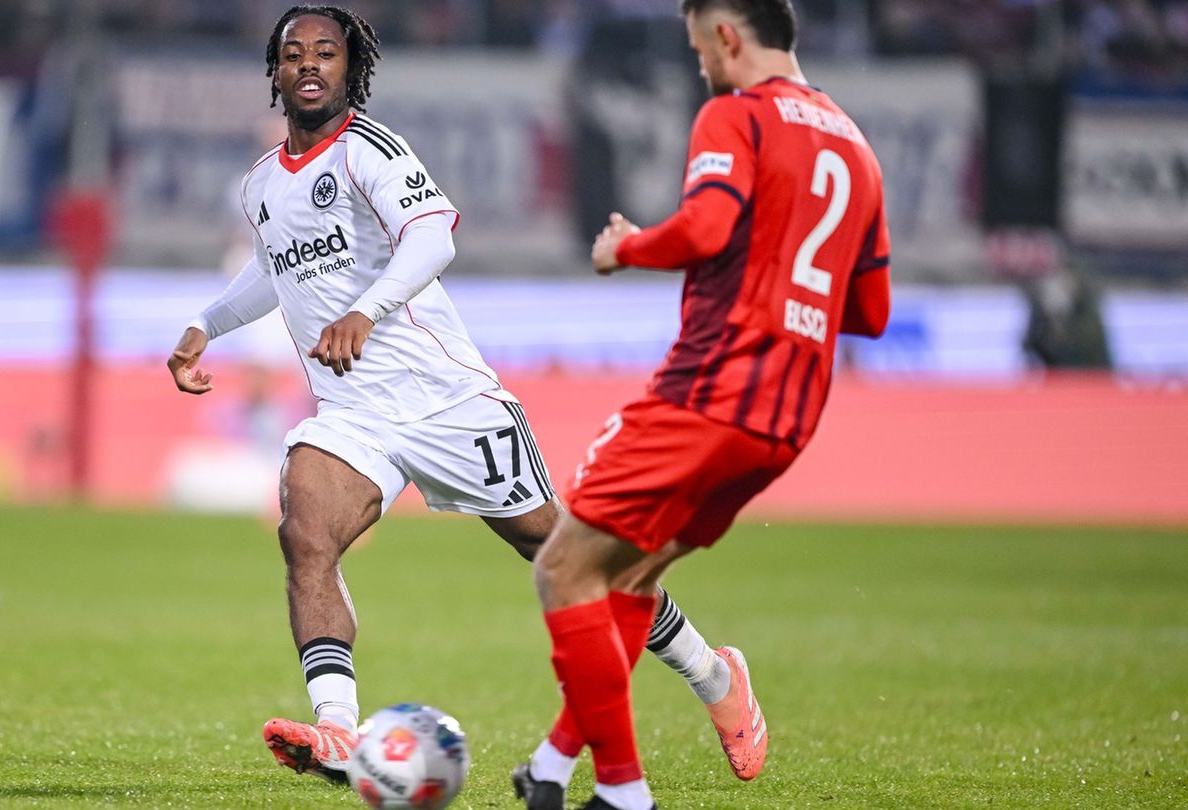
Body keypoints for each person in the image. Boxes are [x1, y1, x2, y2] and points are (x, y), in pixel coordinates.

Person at [166, 4, 736, 788]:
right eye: (293, 52)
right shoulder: (262, 184)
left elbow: (434, 237)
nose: (307, 64)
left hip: (448, 404)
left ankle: (712, 674)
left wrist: (366, 310)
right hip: (354, 414)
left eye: (324, 53)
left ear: (349, 68)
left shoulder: (371, 149)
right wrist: (205, 323)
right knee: (306, 533)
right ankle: (338, 729)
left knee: (569, 560)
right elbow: (274, 270)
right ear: (274, 70)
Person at [512, 1, 892, 808]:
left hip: (712, 392)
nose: (699, 67)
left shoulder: (735, 114)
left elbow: (707, 227)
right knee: (627, 571)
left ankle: (623, 795)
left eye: (697, 49)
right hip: (787, 420)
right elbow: (871, 311)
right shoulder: (856, 146)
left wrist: (627, 248)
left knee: (563, 568)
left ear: (727, 35)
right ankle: (550, 767)